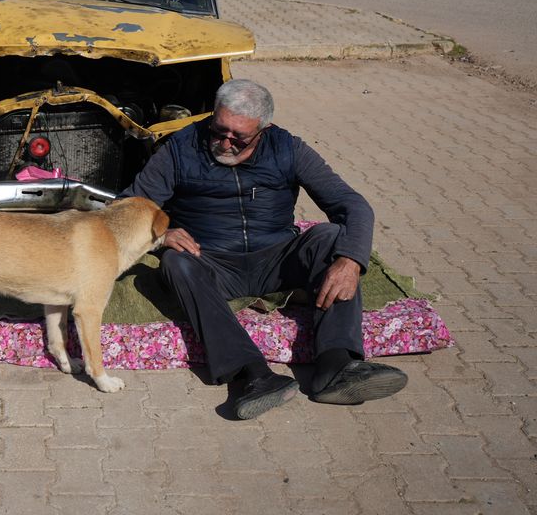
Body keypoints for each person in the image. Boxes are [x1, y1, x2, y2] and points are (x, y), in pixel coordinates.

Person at [122, 79, 407, 419]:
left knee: (331, 238)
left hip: (278, 258)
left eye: (238, 138)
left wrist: (352, 260)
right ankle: (252, 376)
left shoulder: (288, 148)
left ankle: (336, 366)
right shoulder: (178, 149)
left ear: (264, 129)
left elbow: (352, 205)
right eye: (219, 131)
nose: (225, 143)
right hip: (211, 263)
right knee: (175, 262)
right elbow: (128, 208)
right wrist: (161, 233)